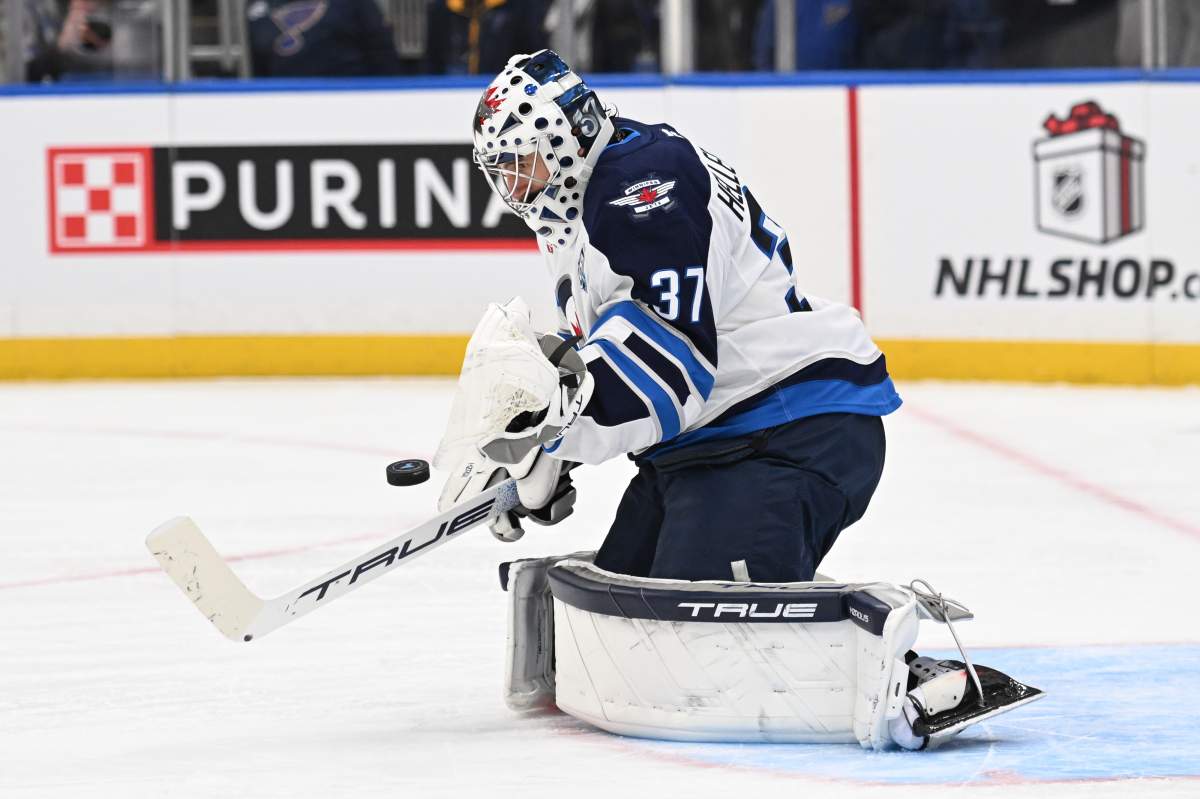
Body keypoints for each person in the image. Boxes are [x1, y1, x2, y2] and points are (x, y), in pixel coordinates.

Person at [434, 49, 1041, 752]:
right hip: (712, 445)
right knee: (632, 611)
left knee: (703, 639)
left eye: (524, 161)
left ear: (567, 136)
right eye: (502, 170)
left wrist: (553, 433)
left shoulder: (640, 190)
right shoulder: (593, 199)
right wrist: (545, 456)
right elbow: (615, 371)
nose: (516, 186)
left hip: (791, 432)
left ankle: (911, 672)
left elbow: (671, 375)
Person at [245, 0, 402, 77]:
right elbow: (256, 68)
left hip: (351, 102)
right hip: (283, 107)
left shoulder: (354, 3)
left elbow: (384, 57)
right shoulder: (255, 8)